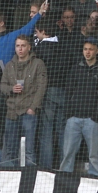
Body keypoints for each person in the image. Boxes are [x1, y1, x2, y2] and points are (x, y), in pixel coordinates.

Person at [60, 38, 98, 176]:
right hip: (73, 118)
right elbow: (68, 92)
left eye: (91, 49)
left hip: (92, 120)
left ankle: (96, 179)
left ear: (97, 51)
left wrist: (96, 115)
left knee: (94, 154)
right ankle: (64, 178)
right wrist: (69, 114)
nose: (87, 52)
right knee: (68, 152)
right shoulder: (76, 68)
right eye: (85, 49)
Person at [0, 35, 47, 166]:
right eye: (17, 46)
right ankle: (10, 178)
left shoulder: (38, 63)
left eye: (23, 46)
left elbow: (41, 87)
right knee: (10, 149)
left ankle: (29, 179)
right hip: (11, 112)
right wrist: (11, 88)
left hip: (28, 111)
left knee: (29, 149)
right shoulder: (9, 65)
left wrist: (33, 108)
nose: (20, 49)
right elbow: (2, 86)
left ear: (29, 47)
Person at [35, 17, 69, 170]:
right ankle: (64, 165)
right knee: (62, 130)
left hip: (48, 92)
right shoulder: (64, 46)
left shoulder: (40, 49)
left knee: (46, 130)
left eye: (37, 32)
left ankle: (46, 167)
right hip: (64, 91)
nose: (36, 35)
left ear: (43, 31)